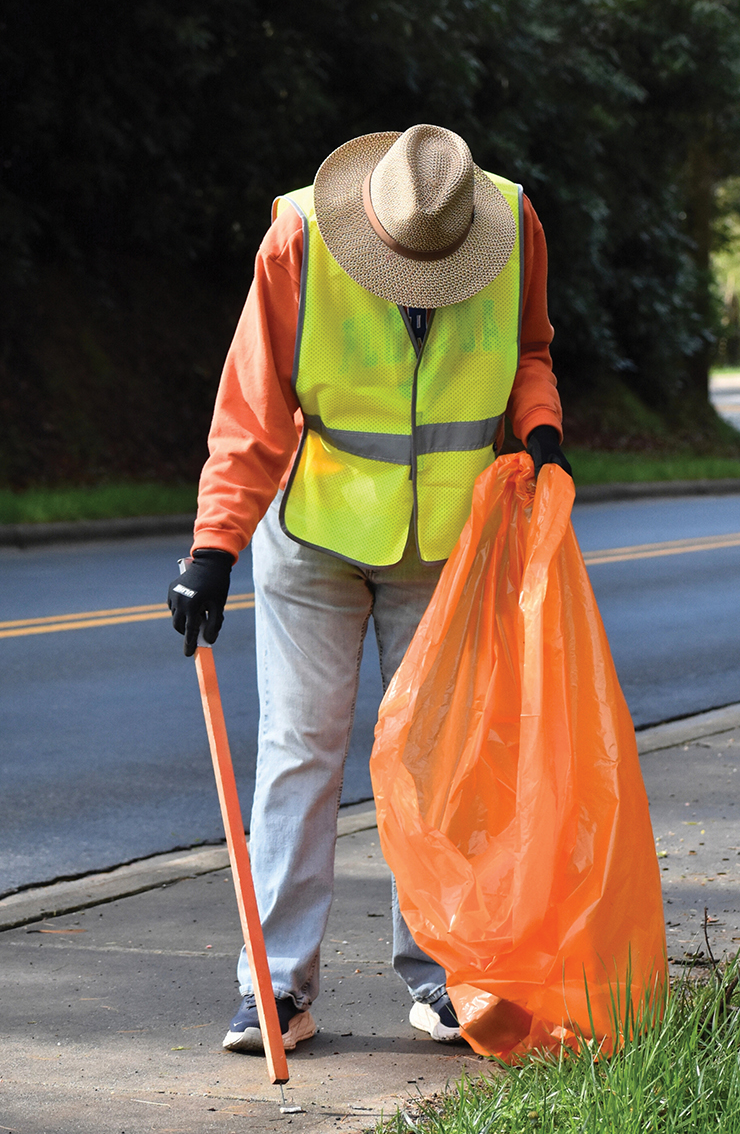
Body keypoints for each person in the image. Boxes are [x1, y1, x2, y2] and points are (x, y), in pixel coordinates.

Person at [166, 124, 569, 1055]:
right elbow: (253, 400)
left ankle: (440, 978)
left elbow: (533, 349)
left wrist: (539, 427)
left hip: (443, 547)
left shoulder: (513, 223)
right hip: (315, 533)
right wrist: (213, 547)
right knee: (300, 751)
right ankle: (274, 988)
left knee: (434, 760)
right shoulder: (301, 238)